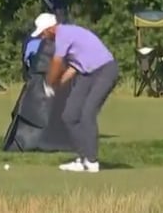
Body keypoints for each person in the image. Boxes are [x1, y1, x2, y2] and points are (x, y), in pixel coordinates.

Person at [31, 12, 119, 173]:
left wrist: (49, 84)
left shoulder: (63, 35)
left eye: (43, 33)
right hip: (87, 72)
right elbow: (73, 69)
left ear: (50, 29)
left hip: (105, 70)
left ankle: (92, 161)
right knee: (70, 115)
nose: (43, 37)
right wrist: (56, 86)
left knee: (87, 114)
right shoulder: (64, 37)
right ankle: (82, 158)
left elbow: (57, 63)